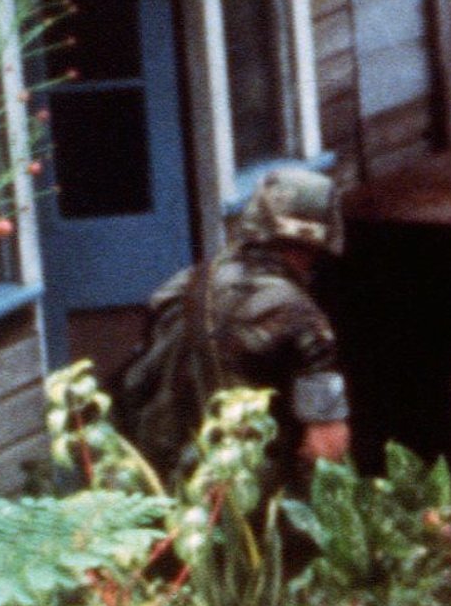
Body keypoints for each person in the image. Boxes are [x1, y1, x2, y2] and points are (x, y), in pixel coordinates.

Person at [116, 166, 353, 486]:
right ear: (315, 242)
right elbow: (326, 445)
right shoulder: (300, 316)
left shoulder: (182, 286)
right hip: (243, 499)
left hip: (165, 485)